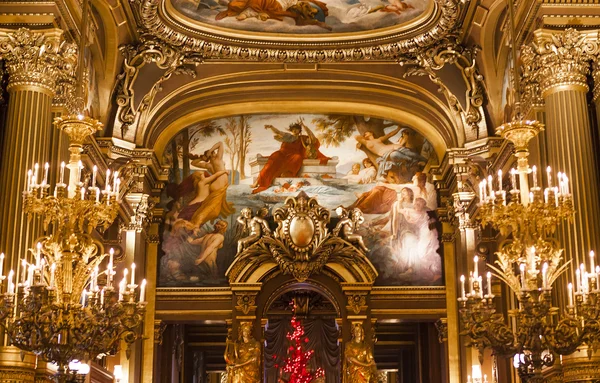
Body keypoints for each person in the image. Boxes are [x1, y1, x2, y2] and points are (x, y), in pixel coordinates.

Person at [251, 119, 329, 194]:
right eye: (293, 129)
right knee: (272, 161)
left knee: (298, 157)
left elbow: (313, 138)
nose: (294, 131)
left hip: (293, 155)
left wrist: (305, 127)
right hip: (282, 154)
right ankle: (258, 181)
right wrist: (271, 127)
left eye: (296, 129)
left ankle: (286, 173)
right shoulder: (287, 136)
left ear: (299, 130)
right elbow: (278, 132)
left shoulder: (302, 138)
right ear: (291, 130)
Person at [187, 141, 235, 226]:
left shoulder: (208, 165)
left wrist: (202, 158)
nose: (216, 153)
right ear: (212, 154)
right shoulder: (218, 159)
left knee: (214, 207)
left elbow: (193, 163)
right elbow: (220, 143)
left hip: (217, 185)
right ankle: (198, 221)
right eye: (214, 152)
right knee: (212, 208)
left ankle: (200, 220)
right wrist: (210, 151)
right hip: (219, 185)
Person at [215, 0, 331, 30]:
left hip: (277, 6)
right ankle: (248, 12)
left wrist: (318, 5)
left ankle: (248, 13)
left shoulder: (296, 2)